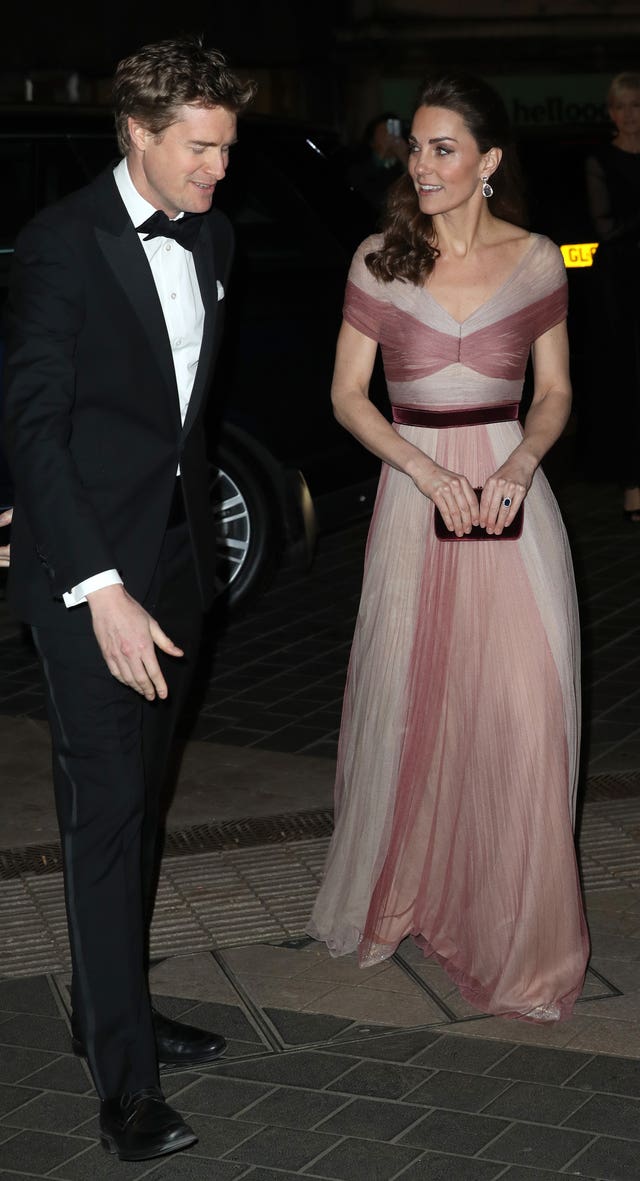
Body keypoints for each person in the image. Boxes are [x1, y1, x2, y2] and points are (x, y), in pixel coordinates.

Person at [3, 36, 255, 1161]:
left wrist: (180, 556)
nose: (217, 170)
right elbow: (34, 422)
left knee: (143, 804)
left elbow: (180, 419)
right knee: (104, 815)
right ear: (140, 133)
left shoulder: (217, 235)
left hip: (177, 571)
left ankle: (121, 1007)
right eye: (201, 149)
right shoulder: (64, 243)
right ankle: (124, 1086)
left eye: (226, 148)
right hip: (86, 580)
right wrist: (95, 581)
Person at [307, 72, 589, 1022]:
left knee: (526, 707)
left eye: (442, 149)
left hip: (514, 498)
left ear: (488, 162)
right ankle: (416, 889)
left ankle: (522, 929)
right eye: (413, 147)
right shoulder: (379, 258)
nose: (420, 165)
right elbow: (349, 396)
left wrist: (519, 465)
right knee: (416, 698)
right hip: (415, 494)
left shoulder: (541, 258)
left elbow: (554, 393)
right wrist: (425, 472)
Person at [584, 72, 640, 520]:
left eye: (636, 104)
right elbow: (604, 227)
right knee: (628, 380)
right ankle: (633, 483)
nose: (629, 114)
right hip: (623, 281)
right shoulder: (600, 159)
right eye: (620, 106)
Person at [345, 111, 409, 217]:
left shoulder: (404, 163)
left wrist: (405, 158)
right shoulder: (358, 164)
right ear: (372, 141)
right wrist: (382, 156)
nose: (390, 137)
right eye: (384, 132)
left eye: (393, 131)